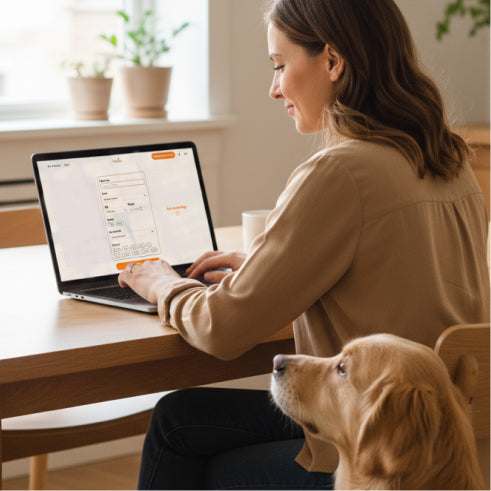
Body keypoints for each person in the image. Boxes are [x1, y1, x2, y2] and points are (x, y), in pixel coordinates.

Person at [119, 0, 490, 488]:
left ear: (333, 61)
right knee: (182, 417)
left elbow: (222, 330)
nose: (274, 88)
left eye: (279, 65)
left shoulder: (339, 172)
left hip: (381, 459)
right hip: (450, 445)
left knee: (178, 435)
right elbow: (396, 270)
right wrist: (267, 266)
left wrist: (162, 284)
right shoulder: (448, 156)